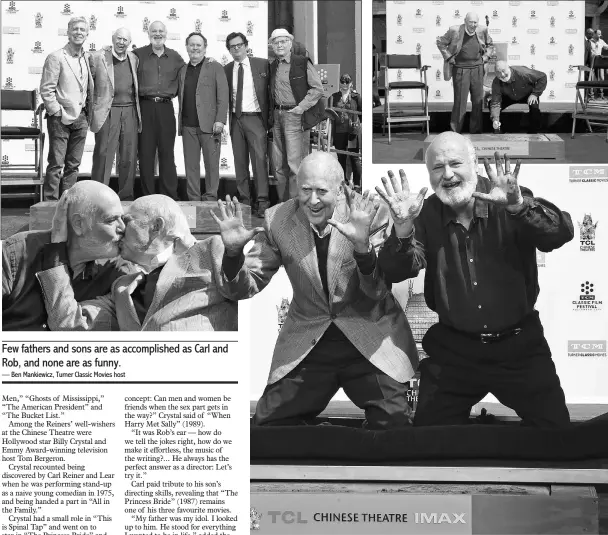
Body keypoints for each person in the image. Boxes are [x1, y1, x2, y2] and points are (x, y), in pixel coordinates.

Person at [376, 132, 574, 428]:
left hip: (519, 348)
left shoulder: (507, 198)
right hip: (455, 352)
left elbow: (560, 233)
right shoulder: (427, 213)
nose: (448, 175)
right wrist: (402, 229)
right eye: (437, 168)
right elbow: (394, 271)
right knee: (428, 441)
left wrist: (519, 207)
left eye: (455, 163)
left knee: (557, 435)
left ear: (475, 163)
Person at [213, 152, 419, 429]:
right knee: (267, 429)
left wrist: (362, 248)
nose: (312, 200)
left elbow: (377, 291)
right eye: (305, 190)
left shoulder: (369, 211)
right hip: (309, 340)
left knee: (395, 427)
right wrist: (233, 254)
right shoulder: (278, 219)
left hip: (371, 336)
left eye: (321, 191)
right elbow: (245, 285)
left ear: (341, 187)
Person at [35, 195, 237, 331]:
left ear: (156, 226)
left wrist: (235, 253)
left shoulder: (213, 255)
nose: (120, 228)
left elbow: (247, 282)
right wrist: (56, 250)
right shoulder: (122, 289)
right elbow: (68, 326)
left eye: (128, 220)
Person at [2, 181, 131, 330]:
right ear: (79, 224)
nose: (123, 227)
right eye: (111, 220)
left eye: (123, 218)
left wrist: (55, 255)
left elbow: (71, 330)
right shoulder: (19, 250)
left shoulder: (117, 272)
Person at [39, 16, 94, 201]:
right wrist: (56, 112)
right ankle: (49, 205)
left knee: (73, 166)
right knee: (56, 164)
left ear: (87, 34)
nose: (79, 32)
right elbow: (46, 89)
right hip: (60, 119)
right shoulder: (55, 57)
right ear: (68, 32)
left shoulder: (87, 58)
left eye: (82, 30)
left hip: (82, 119)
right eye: (75, 29)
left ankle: (67, 204)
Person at [269, 28, 324, 202]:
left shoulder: (301, 62)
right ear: (272, 46)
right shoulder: (273, 66)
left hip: (294, 115)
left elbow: (317, 89)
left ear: (290, 43)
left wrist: (301, 108)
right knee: (278, 166)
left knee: (295, 165)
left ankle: (296, 206)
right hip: (277, 116)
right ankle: (282, 205)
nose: (279, 45)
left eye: (283, 41)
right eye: (275, 42)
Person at [133, 21, 185, 200]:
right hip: (144, 107)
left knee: (167, 154)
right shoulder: (137, 55)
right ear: (148, 34)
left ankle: (169, 195)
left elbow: (190, 73)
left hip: (165, 108)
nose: (157, 34)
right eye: (154, 31)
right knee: (146, 154)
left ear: (166, 34)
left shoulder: (176, 57)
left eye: (160, 31)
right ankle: (147, 196)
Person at [89, 28, 141, 201]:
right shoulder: (98, 57)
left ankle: (126, 196)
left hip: (130, 110)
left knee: (128, 155)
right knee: (104, 154)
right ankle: (98, 196)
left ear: (129, 42)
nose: (121, 42)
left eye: (125, 40)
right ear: (112, 39)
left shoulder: (134, 58)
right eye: (118, 39)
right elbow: (88, 84)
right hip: (107, 111)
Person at [177, 32, 229, 202]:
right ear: (186, 47)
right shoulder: (183, 69)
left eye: (199, 45)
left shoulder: (215, 67)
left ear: (205, 47)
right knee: (191, 167)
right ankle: (193, 200)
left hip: (210, 126)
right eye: (191, 44)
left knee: (212, 166)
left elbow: (223, 95)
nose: (195, 48)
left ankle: (210, 199)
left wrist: (220, 120)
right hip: (188, 126)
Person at [224, 32, 271, 217]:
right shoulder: (226, 69)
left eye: (239, 45)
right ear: (228, 49)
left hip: (256, 118)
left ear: (246, 45)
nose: (236, 49)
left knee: (259, 161)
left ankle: (262, 201)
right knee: (240, 163)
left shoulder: (262, 64)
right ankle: (244, 201)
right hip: (236, 119)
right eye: (232, 46)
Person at [436, 12, 492, 134]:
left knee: (478, 101)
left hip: (478, 68)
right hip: (460, 69)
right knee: (460, 101)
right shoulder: (454, 30)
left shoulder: (482, 29)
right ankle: (455, 131)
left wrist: (486, 57)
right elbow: (440, 42)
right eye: (471, 22)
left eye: (475, 22)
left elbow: (490, 45)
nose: (473, 25)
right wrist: (449, 57)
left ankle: (476, 130)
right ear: (465, 21)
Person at [490, 61, 546, 134]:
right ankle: (499, 129)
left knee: (534, 105)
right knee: (491, 105)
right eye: (498, 72)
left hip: (527, 95)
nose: (502, 75)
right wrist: (495, 120)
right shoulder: (496, 82)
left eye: (503, 71)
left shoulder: (523, 73)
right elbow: (495, 103)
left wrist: (535, 94)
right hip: (509, 97)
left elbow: (542, 77)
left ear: (508, 68)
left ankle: (533, 132)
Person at [328, 74, 362, 188]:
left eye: (347, 82)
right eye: (342, 82)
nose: (344, 84)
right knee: (341, 157)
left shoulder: (356, 97)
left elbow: (362, 115)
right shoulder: (334, 96)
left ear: (351, 83)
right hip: (339, 131)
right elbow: (329, 113)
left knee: (354, 157)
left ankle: (357, 184)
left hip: (352, 131)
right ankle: (344, 182)